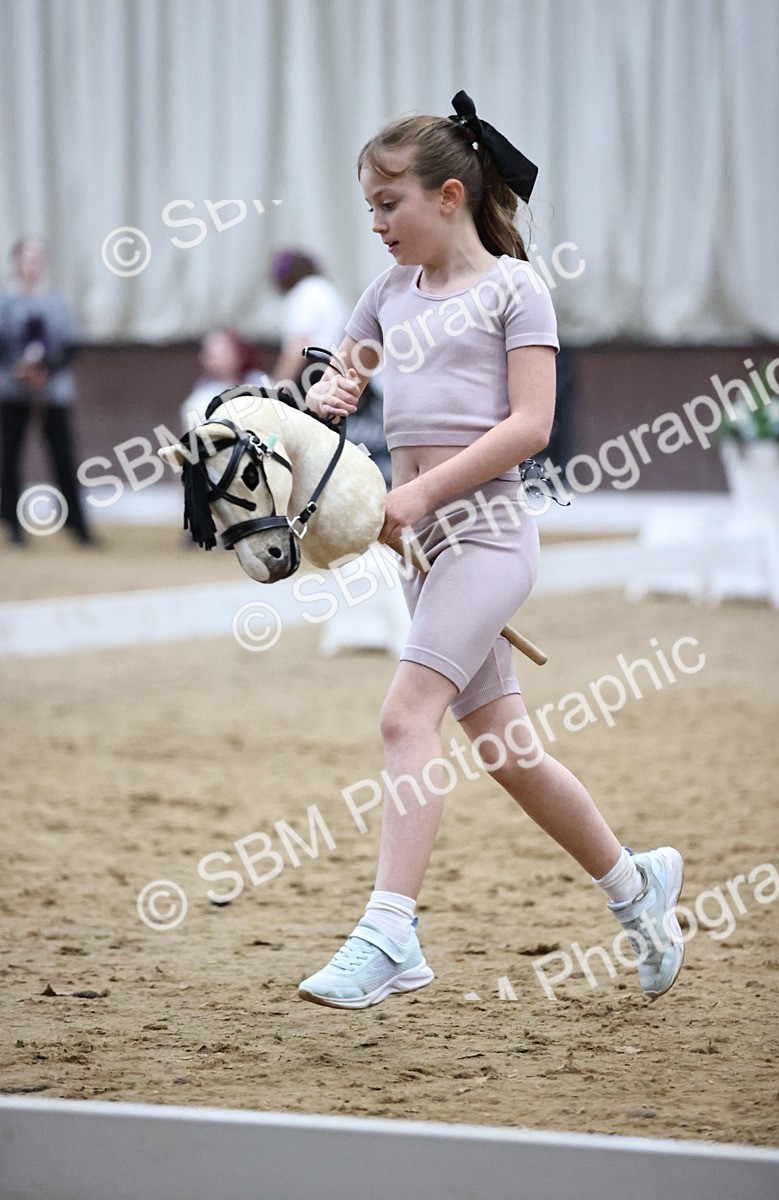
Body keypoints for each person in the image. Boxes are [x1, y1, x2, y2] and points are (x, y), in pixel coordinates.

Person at [297, 92, 684, 1010]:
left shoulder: (515, 289)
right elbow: (335, 373)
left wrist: (421, 489)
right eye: (369, 210)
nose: (378, 225)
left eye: (390, 204)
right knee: (509, 751)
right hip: (420, 549)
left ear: (450, 196)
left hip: (490, 537)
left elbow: (531, 426)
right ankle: (637, 888)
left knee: (403, 719)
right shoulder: (387, 294)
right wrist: (327, 398)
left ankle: (391, 930)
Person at [0, 235, 94, 545]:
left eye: (37, 260)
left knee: (63, 457)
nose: (32, 266)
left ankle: (77, 525)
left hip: (52, 391)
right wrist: (19, 370)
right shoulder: (6, 303)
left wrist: (46, 371)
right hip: (12, 391)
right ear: (16, 263)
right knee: (9, 458)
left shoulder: (55, 303)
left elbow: (69, 346)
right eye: (27, 260)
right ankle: (13, 524)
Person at [269, 249, 349, 404]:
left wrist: (277, 388)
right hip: (333, 368)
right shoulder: (325, 289)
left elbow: (298, 346)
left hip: (313, 370)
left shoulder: (304, 293)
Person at [179, 327, 268, 431]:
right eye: (214, 355)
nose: (220, 360)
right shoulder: (199, 401)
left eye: (224, 352)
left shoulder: (259, 381)